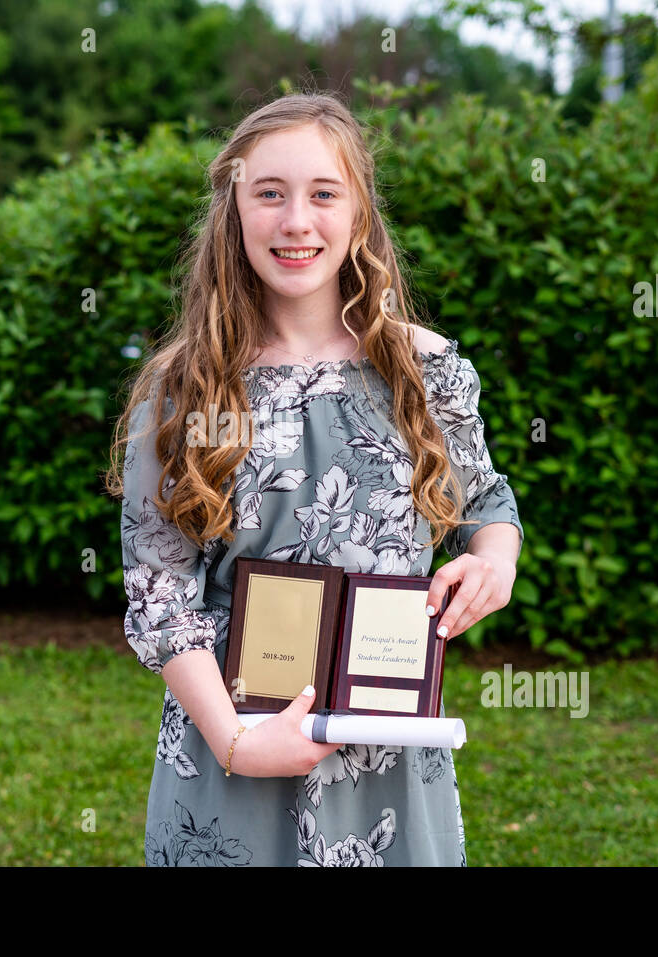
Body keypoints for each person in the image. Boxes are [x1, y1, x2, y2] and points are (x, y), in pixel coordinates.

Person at [104, 91, 524, 866]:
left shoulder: (425, 367)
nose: (297, 220)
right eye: (270, 193)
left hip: (388, 747)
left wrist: (494, 559)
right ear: (234, 210)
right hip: (234, 739)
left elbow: (487, 503)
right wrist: (235, 742)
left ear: (359, 213)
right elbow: (161, 596)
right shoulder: (183, 388)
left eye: (323, 194)